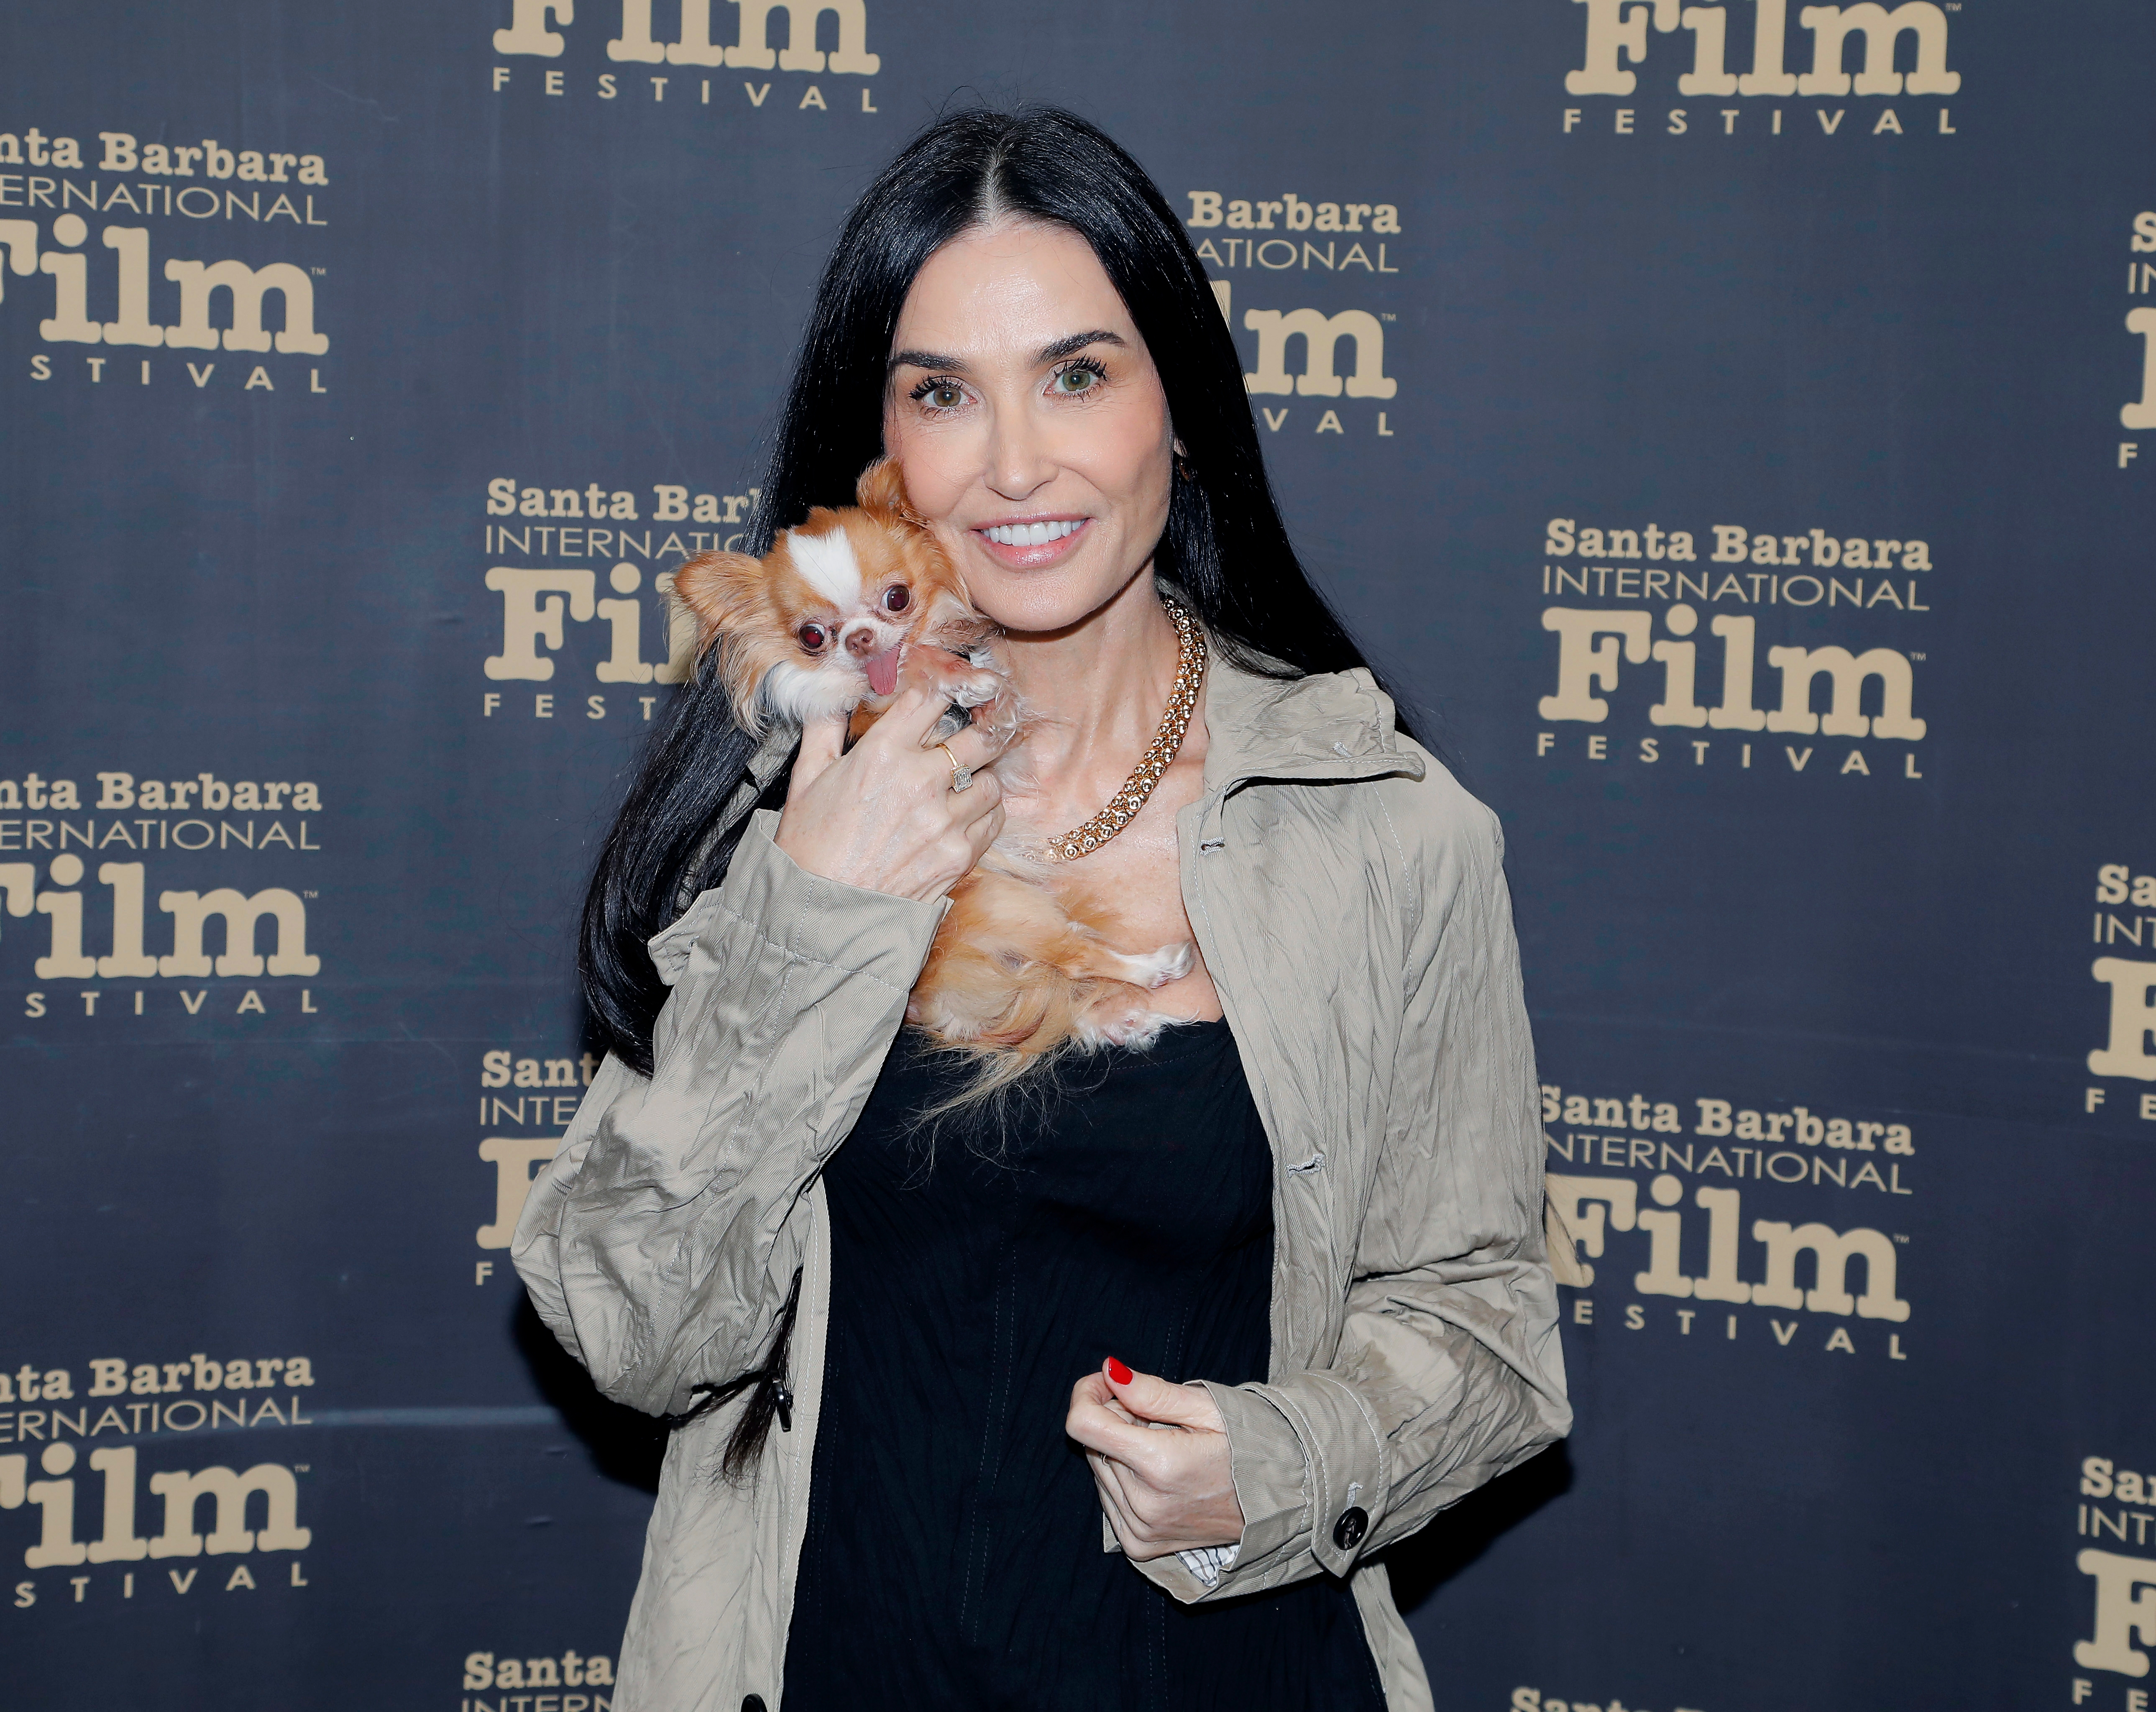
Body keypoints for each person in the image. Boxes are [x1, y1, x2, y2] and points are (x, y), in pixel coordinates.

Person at [514, 105, 1569, 1712]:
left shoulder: (1384, 833)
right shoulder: (780, 810)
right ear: (886, 448)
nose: (1014, 463)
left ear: (1182, 410)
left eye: (1077, 374)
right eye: (944, 392)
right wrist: (820, 911)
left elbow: (1485, 1331)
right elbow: (635, 1331)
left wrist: (1280, 1467)